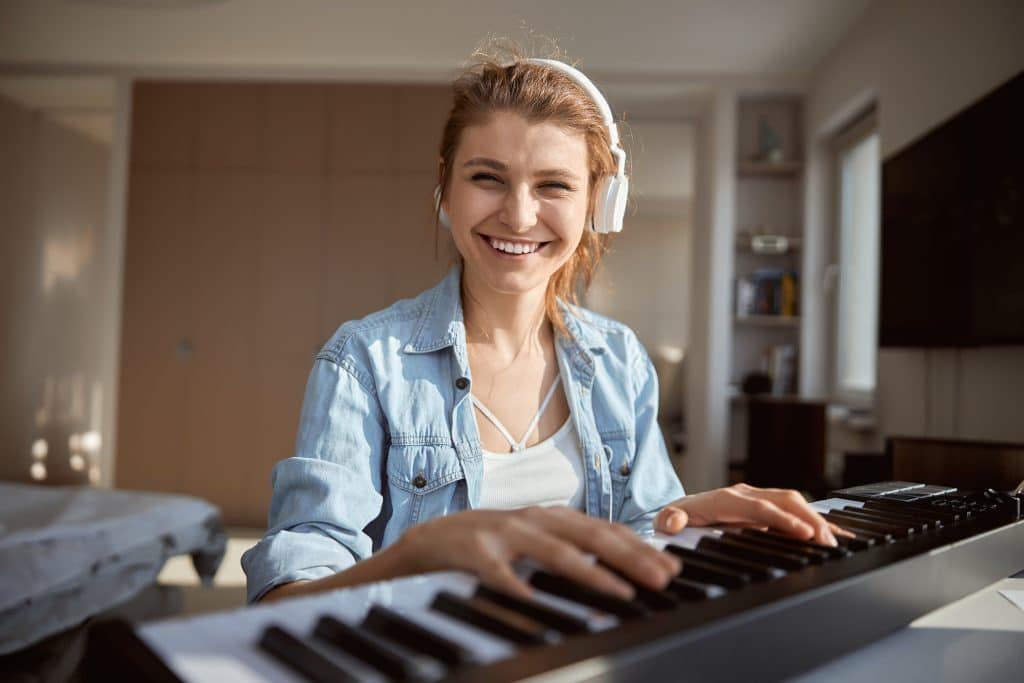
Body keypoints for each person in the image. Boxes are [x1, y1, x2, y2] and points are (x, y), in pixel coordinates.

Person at [242, 47, 840, 606]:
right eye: (487, 177)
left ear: (598, 206)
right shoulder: (364, 361)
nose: (519, 214)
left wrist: (685, 521)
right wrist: (410, 558)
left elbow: (640, 535)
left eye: (553, 184)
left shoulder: (619, 359)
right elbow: (285, 593)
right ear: (446, 190)